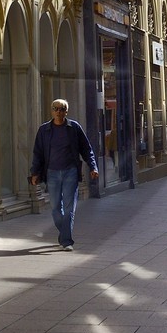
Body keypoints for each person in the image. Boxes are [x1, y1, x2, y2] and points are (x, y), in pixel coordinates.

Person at [29, 99, 100, 251]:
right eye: (55, 109)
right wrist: (34, 172)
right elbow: (38, 153)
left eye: (62, 109)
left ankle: (66, 241)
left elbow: (86, 149)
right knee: (55, 208)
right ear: (51, 111)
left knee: (69, 208)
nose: (58, 112)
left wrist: (93, 166)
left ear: (66, 112)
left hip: (70, 172)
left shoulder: (74, 128)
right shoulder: (44, 130)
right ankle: (64, 233)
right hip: (52, 173)